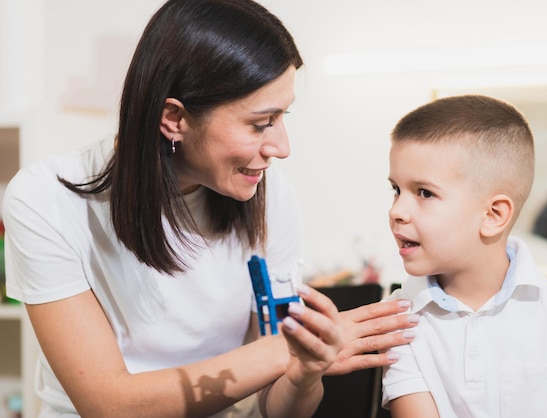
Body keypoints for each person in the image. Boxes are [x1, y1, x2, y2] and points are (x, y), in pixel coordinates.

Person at [1, 1, 418, 417]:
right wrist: (281, 352)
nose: (282, 148)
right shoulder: (46, 199)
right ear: (174, 118)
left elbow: (279, 409)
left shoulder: (271, 198)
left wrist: (304, 370)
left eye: (282, 117)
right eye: (260, 123)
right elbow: (110, 405)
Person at [381, 95, 547, 417]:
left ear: (493, 215)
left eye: (425, 193)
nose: (397, 211)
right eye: (396, 190)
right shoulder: (395, 320)